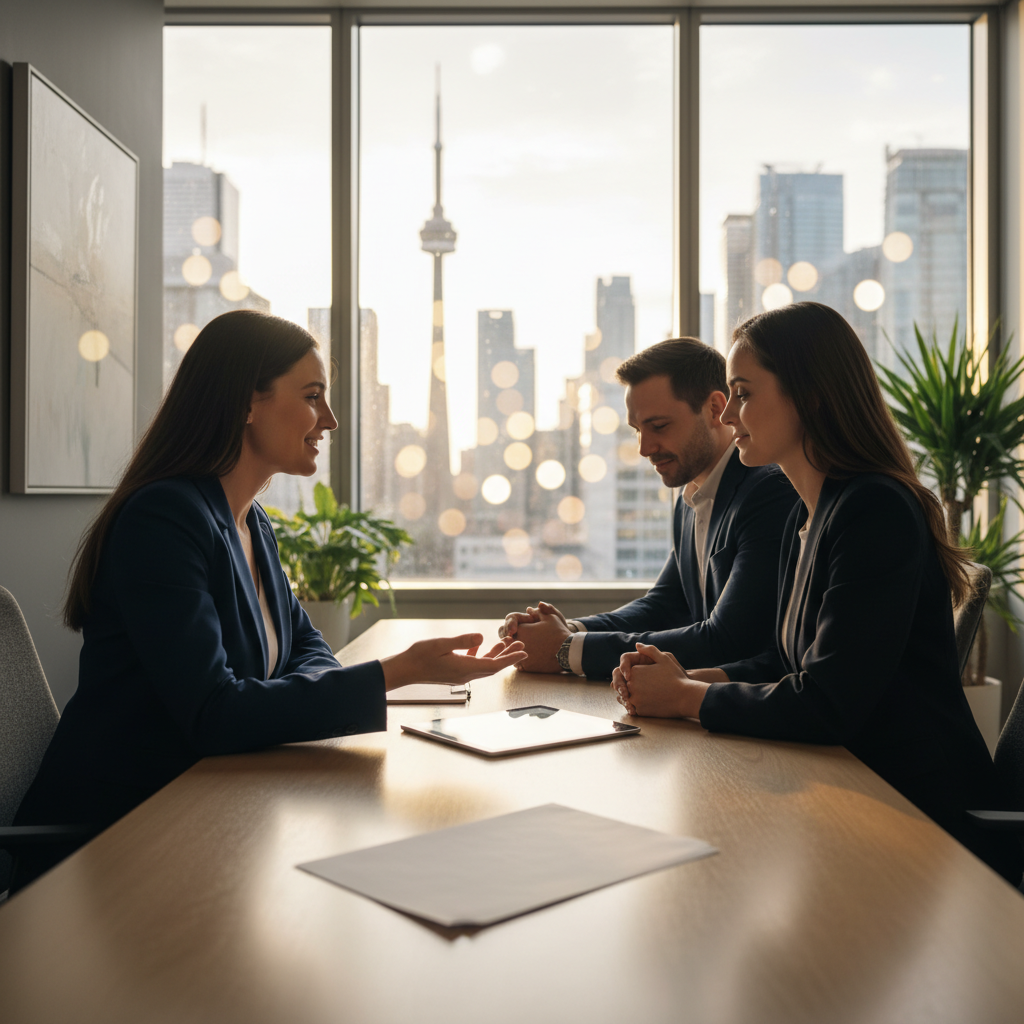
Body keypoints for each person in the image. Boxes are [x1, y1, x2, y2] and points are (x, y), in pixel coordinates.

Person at [13, 310, 525, 887]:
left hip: (211, 807)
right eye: (312, 397)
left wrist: (291, 692)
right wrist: (394, 673)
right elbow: (213, 714)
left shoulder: (251, 520)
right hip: (115, 839)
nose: (329, 419)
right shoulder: (165, 519)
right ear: (245, 403)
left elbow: (305, 648)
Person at [612, 302, 1023, 884]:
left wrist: (683, 697)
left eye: (744, 392)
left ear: (812, 395)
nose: (727, 413)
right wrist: (685, 677)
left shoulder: (875, 509)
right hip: (856, 792)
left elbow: (829, 702)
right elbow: (783, 661)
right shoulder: (806, 512)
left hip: (922, 821)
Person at [499, 338, 796, 679]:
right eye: (638, 430)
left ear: (715, 409)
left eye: (658, 426)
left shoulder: (768, 491)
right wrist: (565, 629)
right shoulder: (692, 496)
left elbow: (728, 640)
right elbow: (665, 605)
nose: (644, 448)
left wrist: (567, 650)